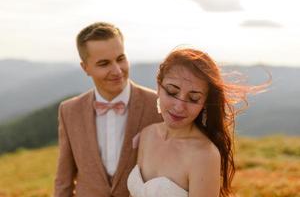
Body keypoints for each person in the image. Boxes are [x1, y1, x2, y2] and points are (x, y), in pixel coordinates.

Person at [127, 48, 269, 197]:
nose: (179, 106)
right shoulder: (147, 134)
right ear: (158, 87)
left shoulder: (204, 155)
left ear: (205, 103)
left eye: (193, 98)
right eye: (172, 92)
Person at [54, 22, 162, 197]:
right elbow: (63, 179)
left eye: (121, 59)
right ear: (85, 68)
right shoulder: (69, 111)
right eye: (104, 63)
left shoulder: (158, 106)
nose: (117, 70)